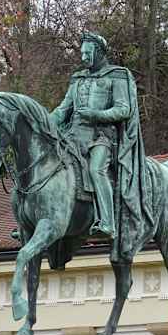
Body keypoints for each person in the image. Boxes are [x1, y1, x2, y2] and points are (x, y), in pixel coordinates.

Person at [50, 32, 151, 260]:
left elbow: (123, 109)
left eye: (88, 53)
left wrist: (95, 114)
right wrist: (43, 122)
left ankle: (107, 222)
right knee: (47, 165)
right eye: (82, 53)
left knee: (97, 169)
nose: (83, 57)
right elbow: (63, 110)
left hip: (102, 136)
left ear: (99, 52)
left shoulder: (117, 75)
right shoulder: (78, 79)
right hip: (73, 136)